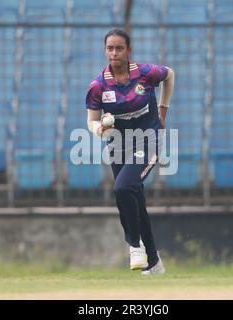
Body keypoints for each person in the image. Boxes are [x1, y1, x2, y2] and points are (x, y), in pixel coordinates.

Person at [86, 28, 175, 275]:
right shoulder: (98, 86)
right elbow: (91, 122)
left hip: (149, 140)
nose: (114, 53)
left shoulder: (145, 74)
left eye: (119, 48)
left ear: (128, 51)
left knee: (123, 187)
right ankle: (154, 263)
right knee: (135, 198)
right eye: (109, 48)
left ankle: (134, 246)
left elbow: (169, 75)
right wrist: (100, 129)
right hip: (118, 147)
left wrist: (163, 110)